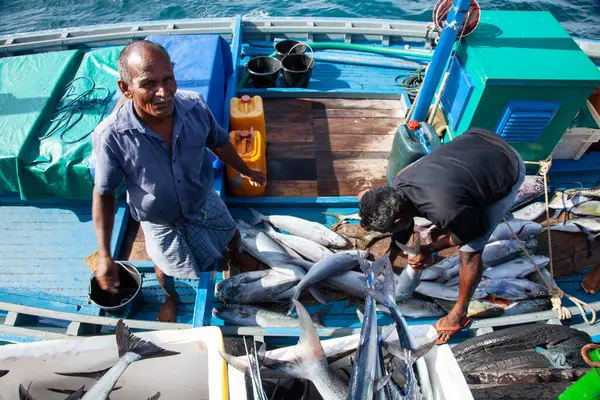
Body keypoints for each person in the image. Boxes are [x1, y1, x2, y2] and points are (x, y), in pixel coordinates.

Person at [91, 40, 266, 322]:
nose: (163, 92)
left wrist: (244, 169)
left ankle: (236, 256)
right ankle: (171, 297)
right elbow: (103, 193)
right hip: (160, 222)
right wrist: (104, 255)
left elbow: (219, 143)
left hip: (203, 199)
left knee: (230, 232)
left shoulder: (194, 105)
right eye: (148, 84)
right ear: (126, 88)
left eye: (168, 79)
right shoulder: (110, 136)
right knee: (164, 267)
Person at [358, 127, 526, 344]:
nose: (390, 232)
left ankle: (458, 313)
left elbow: (473, 231)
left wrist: (431, 249)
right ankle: (467, 198)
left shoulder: (445, 209)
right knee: (454, 214)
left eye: (388, 228)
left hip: (507, 164)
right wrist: (389, 259)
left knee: (469, 253)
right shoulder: (399, 184)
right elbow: (403, 224)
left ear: (399, 219)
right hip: (475, 140)